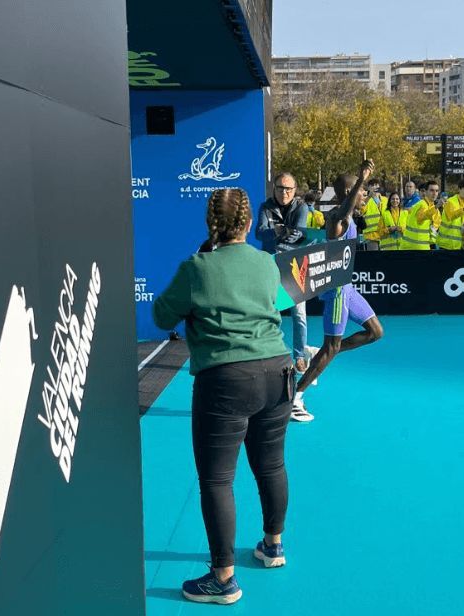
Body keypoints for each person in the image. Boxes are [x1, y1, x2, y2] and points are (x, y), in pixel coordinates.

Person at [154, 189, 294, 606]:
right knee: (271, 465)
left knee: (217, 480)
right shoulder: (268, 264)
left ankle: (223, 579)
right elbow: (276, 303)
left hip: (225, 380)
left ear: (210, 224)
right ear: (249, 224)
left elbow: (162, 315)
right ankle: (273, 546)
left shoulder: (197, 266)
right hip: (278, 371)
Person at [292, 161, 384, 419]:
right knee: (331, 348)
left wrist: (360, 182)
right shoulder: (335, 219)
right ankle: (296, 397)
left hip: (349, 289)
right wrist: (361, 179)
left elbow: (350, 210)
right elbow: (345, 212)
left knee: (376, 332)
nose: (364, 194)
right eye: (361, 190)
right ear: (347, 191)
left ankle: (314, 353)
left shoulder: (350, 217)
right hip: (336, 293)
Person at [256, 172, 310, 374]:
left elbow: (299, 234)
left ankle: (299, 356)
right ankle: (273, 355)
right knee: (271, 314)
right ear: (274, 189)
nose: (284, 192)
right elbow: (260, 233)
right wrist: (279, 233)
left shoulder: (301, 207)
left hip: (295, 266)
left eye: (288, 189)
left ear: (294, 190)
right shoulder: (265, 206)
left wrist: (281, 233)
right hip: (270, 265)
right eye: (280, 188)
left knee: (299, 314)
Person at [402, 180, 441, 250]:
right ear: (426, 192)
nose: (434, 193)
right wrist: (437, 206)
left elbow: (435, 226)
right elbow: (421, 217)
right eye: (432, 190)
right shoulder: (423, 204)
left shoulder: (432, 207)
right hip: (415, 247)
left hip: (422, 245)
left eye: (436, 191)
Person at [360, 178, 388, 249]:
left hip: (384, 234)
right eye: (372, 185)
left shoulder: (385, 199)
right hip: (371, 236)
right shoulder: (365, 200)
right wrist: (368, 197)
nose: (375, 187)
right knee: (374, 257)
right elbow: (360, 211)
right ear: (368, 187)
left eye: (376, 185)